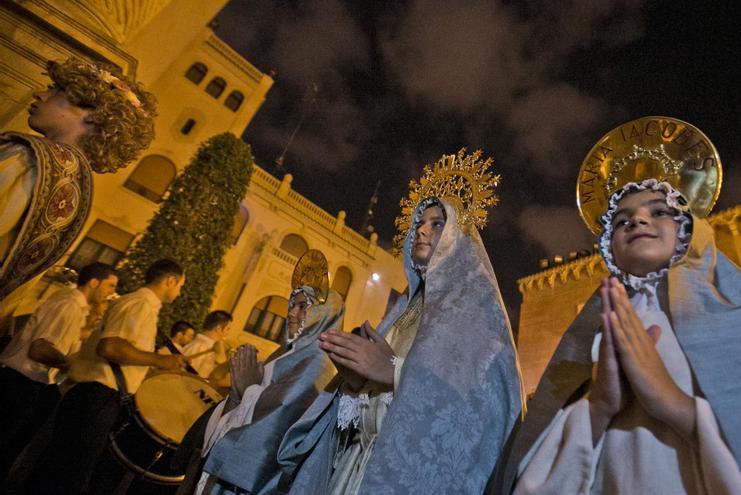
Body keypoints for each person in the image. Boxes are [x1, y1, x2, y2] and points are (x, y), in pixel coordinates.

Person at [489, 120, 741, 494]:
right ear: (610, 248)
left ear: (687, 229)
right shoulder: (598, 332)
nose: (638, 219)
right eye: (623, 220)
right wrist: (598, 408)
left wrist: (676, 406)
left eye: (659, 211)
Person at [275, 150, 523, 494]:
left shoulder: (473, 317)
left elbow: (474, 408)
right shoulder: (405, 309)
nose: (421, 231)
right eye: (420, 223)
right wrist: (355, 382)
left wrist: (391, 368)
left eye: (437, 224)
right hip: (354, 468)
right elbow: (371, 399)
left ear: (457, 238)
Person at [0, 58, 156, 333]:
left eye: (57, 90)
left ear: (92, 114)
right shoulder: (75, 184)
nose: (41, 94)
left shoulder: (29, 157)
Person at [21, 259, 187, 494]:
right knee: (68, 473)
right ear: (170, 280)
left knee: (60, 469)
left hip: (98, 397)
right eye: (180, 286)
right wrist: (159, 359)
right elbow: (109, 347)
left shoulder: (141, 306)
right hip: (97, 397)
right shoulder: (139, 304)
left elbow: (122, 351)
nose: (179, 292)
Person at [193, 282, 343, 494]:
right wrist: (238, 394)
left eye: (302, 307)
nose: (291, 313)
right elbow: (248, 401)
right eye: (292, 305)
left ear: (323, 314)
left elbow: (275, 428)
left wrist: (249, 389)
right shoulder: (285, 354)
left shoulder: (318, 365)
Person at [0, 262, 117, 478]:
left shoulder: (74, 306)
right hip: (23, 385)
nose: (112, 293)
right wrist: (74, 367)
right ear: (93, 283)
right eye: (110, 286)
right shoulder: (69, 305)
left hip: (28, 386)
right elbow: (40, 348)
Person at [183, 311, 233, 380]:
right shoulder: (201, 347)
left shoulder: (198, 343)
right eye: (228, 329)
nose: (227, 333)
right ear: (218, 329)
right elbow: (188, 377)